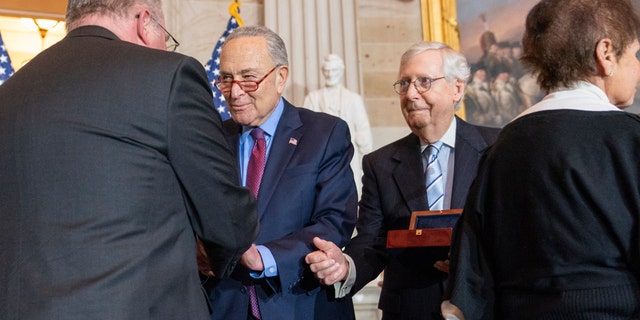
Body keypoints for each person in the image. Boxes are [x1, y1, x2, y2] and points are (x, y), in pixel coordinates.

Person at [0, 1, 260, 319]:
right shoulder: (170, 76)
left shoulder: (9, 94)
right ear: (143, 20)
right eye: (165, 36)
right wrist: (212, 259)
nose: (165, 47)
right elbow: (229, 223)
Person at [444, 0, 640, 319]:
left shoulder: (501, 148)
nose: (638, 66)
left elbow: (473, 274)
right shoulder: (631, 139)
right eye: (635, 54)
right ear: (606, 54)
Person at [305, 41, 500, 319]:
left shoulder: (497, 149)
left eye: (424, 82)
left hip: (482, 306)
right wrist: (346, 265)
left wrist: (469, 261)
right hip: (409, 308)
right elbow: (372, 241)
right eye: (404, 83)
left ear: (457, 88)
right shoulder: (379, 163)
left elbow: (516, 231)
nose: (410, 94)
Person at [201, 25, 358, 320]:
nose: (235, 92)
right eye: (226, 79)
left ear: (280, 77)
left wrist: (264, 257)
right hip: (223, 306)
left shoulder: (324, 134)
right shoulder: (209, 139)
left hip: (300, 304)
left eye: (248, 79)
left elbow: (335, 220)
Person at [303, 53, 373, 196]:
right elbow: (305, 129)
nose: (330, 74)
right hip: (320, 154)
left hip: (347, 153)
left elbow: (363, 129)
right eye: (327, 70)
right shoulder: (313, 98)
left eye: (334, 70)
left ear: (340, 71)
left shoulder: (353, 99)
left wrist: (363, 144)